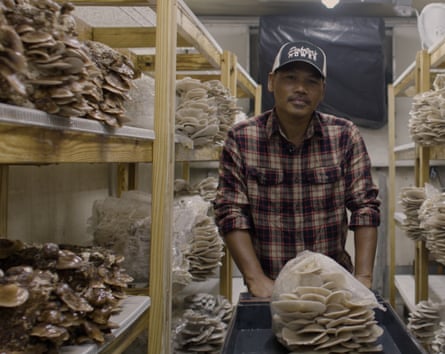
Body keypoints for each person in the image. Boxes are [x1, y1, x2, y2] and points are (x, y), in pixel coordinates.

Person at [213, 40, 381, 298]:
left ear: (322, 90)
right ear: (272, 82)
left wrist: (363, 278)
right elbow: (231, 211)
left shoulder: (344, 135)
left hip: (334, 286)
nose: (301, 88)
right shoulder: (242, 137)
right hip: (271, 286)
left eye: (312, 81)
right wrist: (255, 278)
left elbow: (365, 207)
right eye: (290, 78)